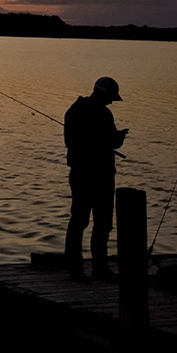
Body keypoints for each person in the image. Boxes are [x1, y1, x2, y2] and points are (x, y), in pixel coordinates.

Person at [63, 76, 128, 282]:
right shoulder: (103, 114)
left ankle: (81, 269)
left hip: (85, 174)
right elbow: (112, 142)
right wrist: (119, 137)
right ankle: (92, 268)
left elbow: (71, 142)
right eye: (110, 97)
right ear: (102, 94)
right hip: (96, 175)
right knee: (94, 222)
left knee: (86, 222)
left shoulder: (73, 111)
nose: (110, 102)